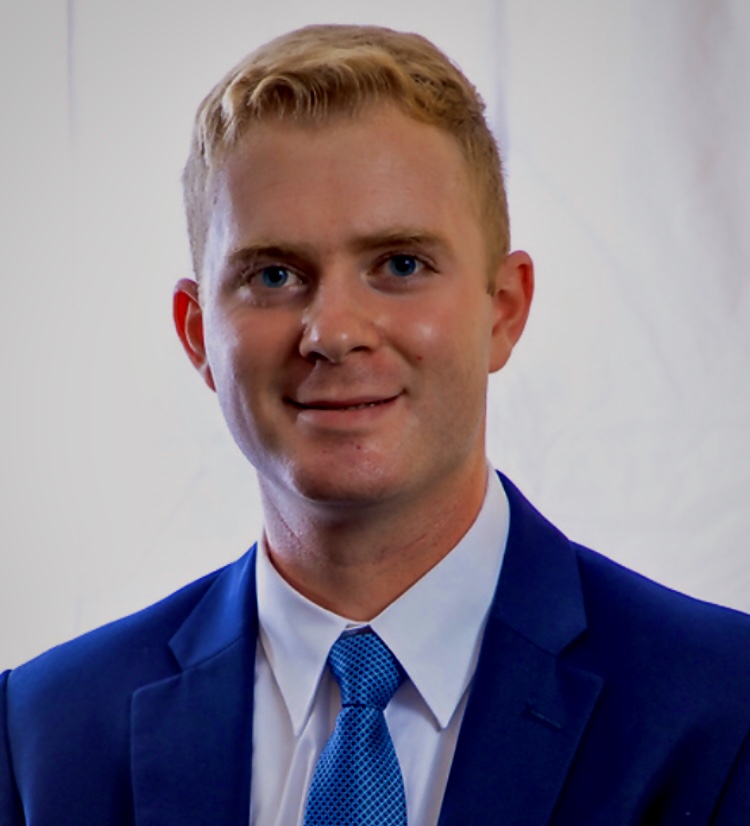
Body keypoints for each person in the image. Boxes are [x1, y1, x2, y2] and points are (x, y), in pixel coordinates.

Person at [1, 23, 749, 826]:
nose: (333, 332)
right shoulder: (42, 734)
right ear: (197, 334)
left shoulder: (725, 707)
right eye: (273, 275)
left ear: (503, 310)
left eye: (400, 264)